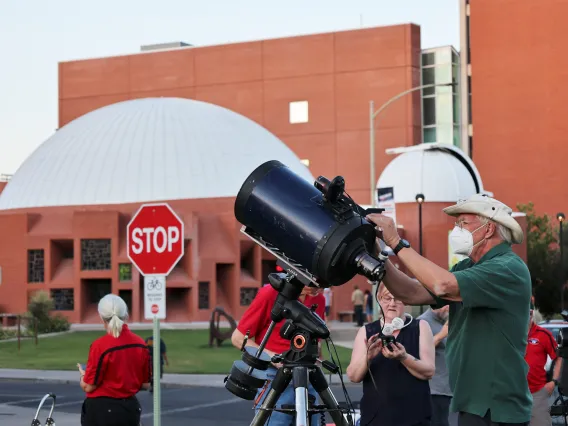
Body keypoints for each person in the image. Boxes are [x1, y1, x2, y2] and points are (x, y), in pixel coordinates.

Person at [366, 193, 532, 426]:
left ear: (488, 228)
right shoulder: (470, 267)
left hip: (496, 406)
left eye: (464, 223)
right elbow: (412, 293)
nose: (458, 229)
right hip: (474, 402)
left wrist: (396, 243)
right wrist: (378, 257)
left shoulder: (507, 267)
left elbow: (442, 285)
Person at [231, 284, 326, 426]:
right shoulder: (271, 293)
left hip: (308, 376)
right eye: (315, 282)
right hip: (275, 377)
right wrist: (275, 358)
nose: (320, 287)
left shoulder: (319, 299)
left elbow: (316, 340)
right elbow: (238, 338)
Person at [346, 282, 435, 426]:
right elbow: (353, 376)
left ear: (405, 300)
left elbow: (429, 371)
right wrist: (368, 357)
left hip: (415, 416)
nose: (392, 303)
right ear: (380, 300)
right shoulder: (366, 331)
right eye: (387, 298)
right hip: (376, 418)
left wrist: (404, 357)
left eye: (398, 298)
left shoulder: (421, 327)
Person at [78, 294, 150, 426]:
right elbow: (145, 384)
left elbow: (88, 386)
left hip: (101, 411)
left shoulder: (100, 346)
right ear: (126, 315)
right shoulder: (140, 344)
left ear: (101, 317)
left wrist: (83, 376)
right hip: (129, 409)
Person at [525, 300, 562, 426]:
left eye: (529, 313)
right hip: (515, 393)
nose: (527, 317)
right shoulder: (513, 334)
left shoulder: (543, 334)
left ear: (532, 314)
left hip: (537, 393)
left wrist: (554, 381)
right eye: (524, 313)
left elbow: (559, 358)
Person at [419, 305, 457, 426]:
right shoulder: (422, 322)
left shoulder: (445, 321)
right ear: (434, 303)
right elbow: (418, 349)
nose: (448, 308)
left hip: (446, 389)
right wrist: (442, 334)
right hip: (434, 390)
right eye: (445, 304)